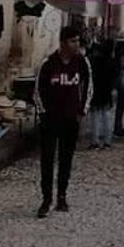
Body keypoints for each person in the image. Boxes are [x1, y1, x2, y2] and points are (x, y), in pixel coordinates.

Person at [33, 25, 92, 217]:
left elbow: (88, 86)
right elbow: (37, 91)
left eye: (78, 41)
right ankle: (46, 199)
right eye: (73, 41)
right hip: (50, 120)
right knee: (48, 160)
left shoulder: (82, 62)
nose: (77, 45)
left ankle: (62, 196)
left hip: (70, 119)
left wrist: (82, 110)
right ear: (63, 42)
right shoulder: (48, 64)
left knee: (66, 159)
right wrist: (43, 114)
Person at [87, 40, 119, 149]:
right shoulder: (111, 62)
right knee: (107, 116)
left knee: (95, 116)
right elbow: (115, 76)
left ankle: (95, 141)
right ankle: (107, 141)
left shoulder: (95, 61)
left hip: (97, 90)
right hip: (107, 91)